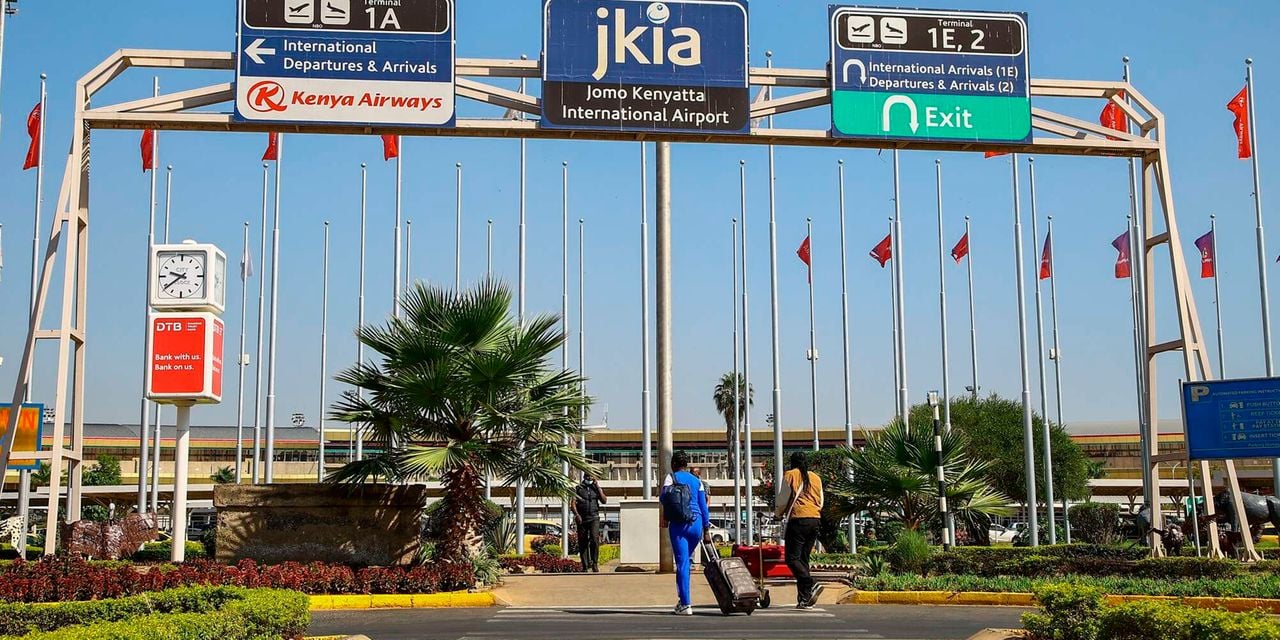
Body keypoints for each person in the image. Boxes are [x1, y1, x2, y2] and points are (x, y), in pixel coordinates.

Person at [662, 450, 711, 615]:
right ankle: (682, 599)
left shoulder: (671, 477)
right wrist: (706, 529)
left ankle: (686, 603)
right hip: (696, 525)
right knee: (686, 563)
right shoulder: (697, 481)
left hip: (679, 525)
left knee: (682, 563)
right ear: (686, 464)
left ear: (674, 464)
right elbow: (703, 506)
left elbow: (663, 498)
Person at [775, 451, 825, 609]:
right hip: (815, 519)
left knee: (792, 558)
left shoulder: (790, 475)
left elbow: (783, 499)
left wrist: (778, 514)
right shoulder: (816, 477)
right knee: (803, 560)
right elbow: (821, 501)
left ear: (792, 462)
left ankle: (811, 582)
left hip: (798, 519)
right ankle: (805, 598)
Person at [572, 472, 607, 572]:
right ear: (584, 477)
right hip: (582, 518)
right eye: (588, 476)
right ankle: (585, 565)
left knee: (594, 539)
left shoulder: (596, 488)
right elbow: (573, 504)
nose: (590, 478)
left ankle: (594, 563)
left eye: (591, 476)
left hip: (594, 517)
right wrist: (577, 515)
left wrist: (598, 487)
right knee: (582, 541)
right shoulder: (578, 488)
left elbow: (604, 500)